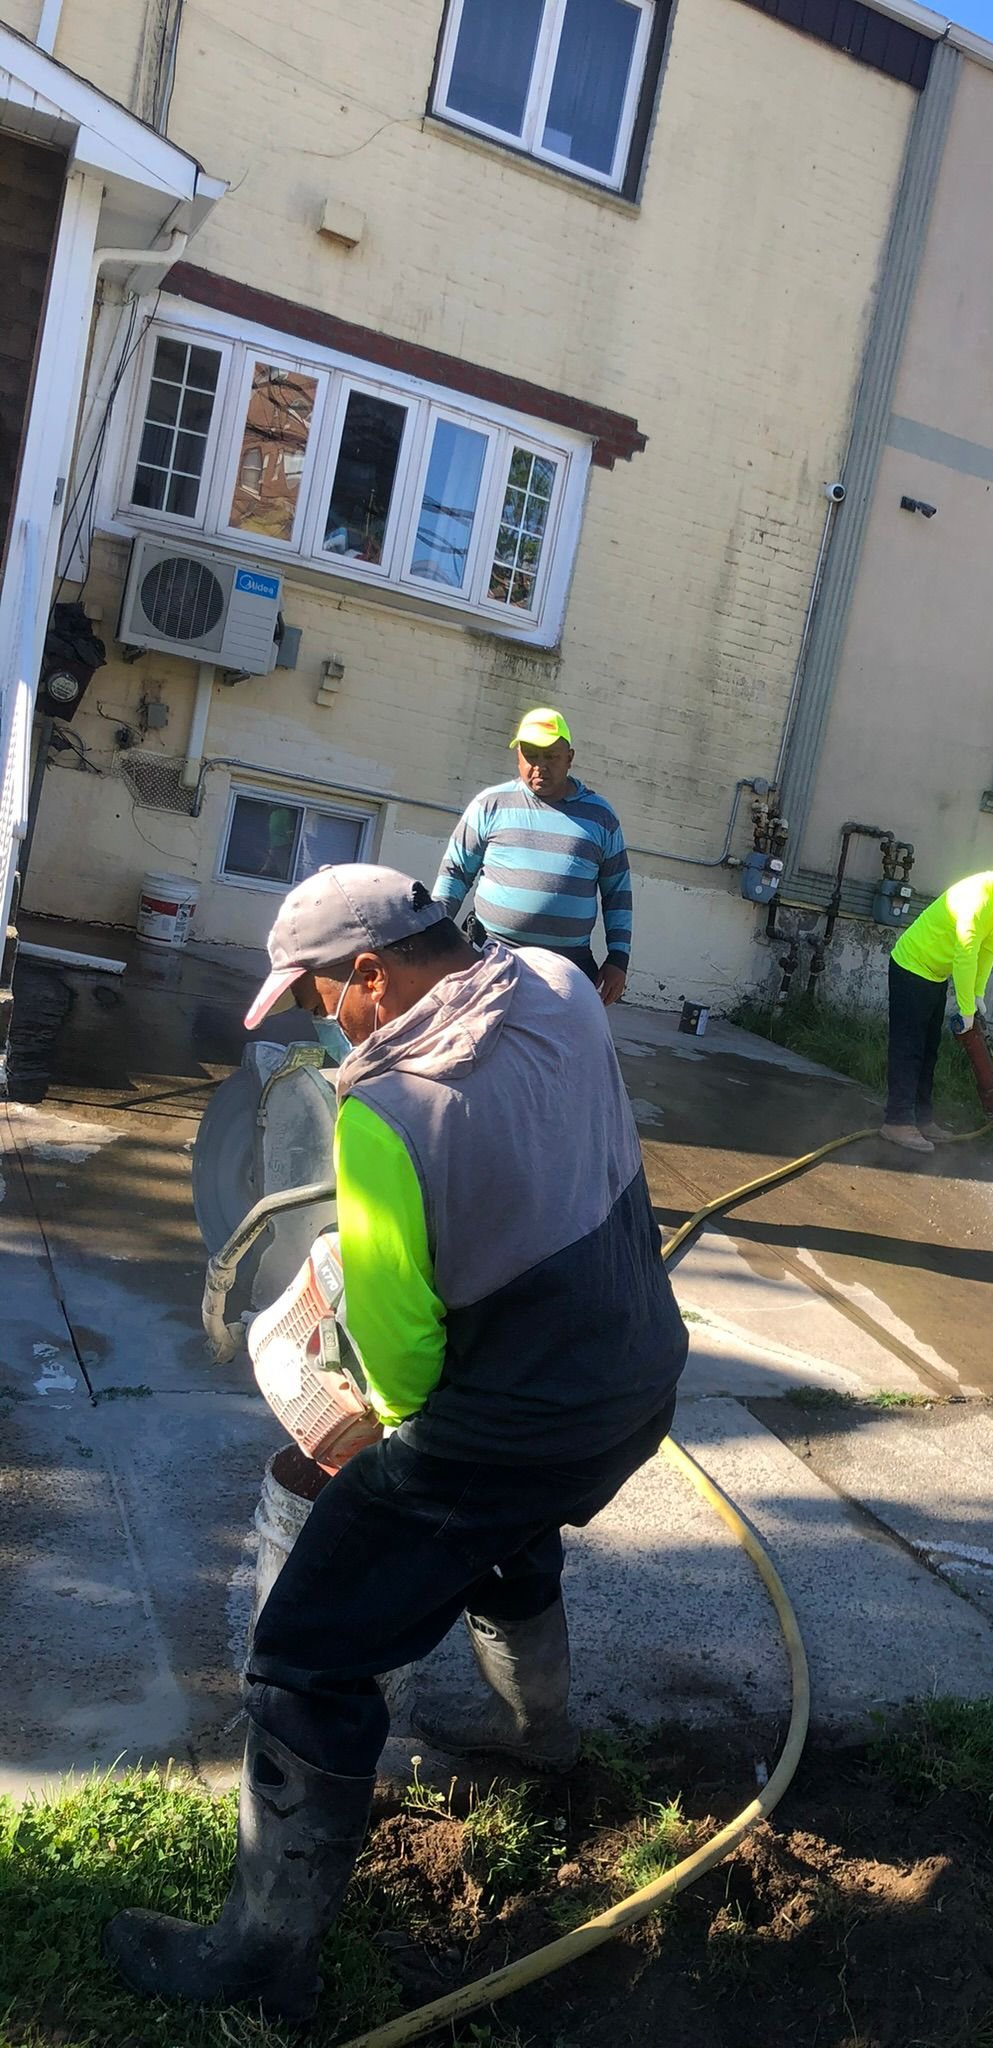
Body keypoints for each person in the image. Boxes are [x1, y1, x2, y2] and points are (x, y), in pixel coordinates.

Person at [106, 866, 687, 2019]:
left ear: (372, 971)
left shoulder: (383, 1116)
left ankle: (262, 1959)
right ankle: (538, 1729)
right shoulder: (566, 985)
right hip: (637, 1380)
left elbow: (409, 1371)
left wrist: (346, 1361)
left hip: (524, 1419)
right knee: (504, 1522)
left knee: (310, 1648)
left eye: (323, 996)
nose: (325, 1022)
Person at [434, 706, 632, 1005]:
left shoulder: (600, 816)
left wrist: (618, 957)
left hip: (568, 968)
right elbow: (455, 873)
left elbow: (618, 892)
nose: (540, 766)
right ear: (518, 756)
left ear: (570, 758)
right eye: (531, 755)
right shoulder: (489, 805)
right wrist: (435, 937)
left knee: (560, 1050)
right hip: (491, 957)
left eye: (551, 756)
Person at [881, 857, 993, 1153]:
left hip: (933, 974)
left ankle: (922, 1118)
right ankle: (897, 1121)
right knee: (909, 1048)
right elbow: (966, 953)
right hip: (911, 968)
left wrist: (978, 994)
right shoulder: (977, 896)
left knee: (929, 1051)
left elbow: (989, 946)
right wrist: (966, 1008)